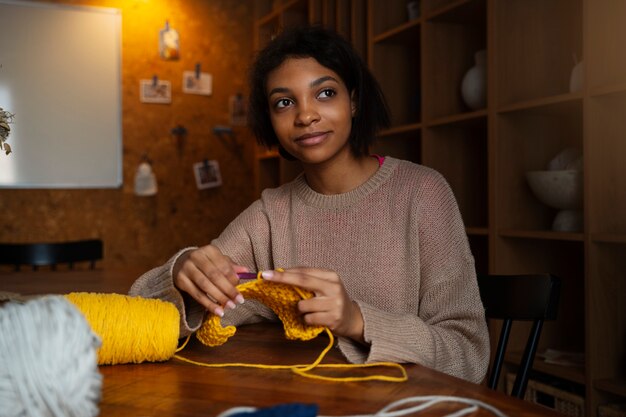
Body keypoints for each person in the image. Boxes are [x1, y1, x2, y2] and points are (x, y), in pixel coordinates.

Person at [130, 25, 489, 383]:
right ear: (270, 121)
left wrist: (356, 320)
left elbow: (469, 355)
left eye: (325, 93)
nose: (305, 116)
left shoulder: (422, 192)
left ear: (354, 100)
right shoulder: (270, 216)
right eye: (284, 102)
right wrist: (180, 274)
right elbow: (146, 316)